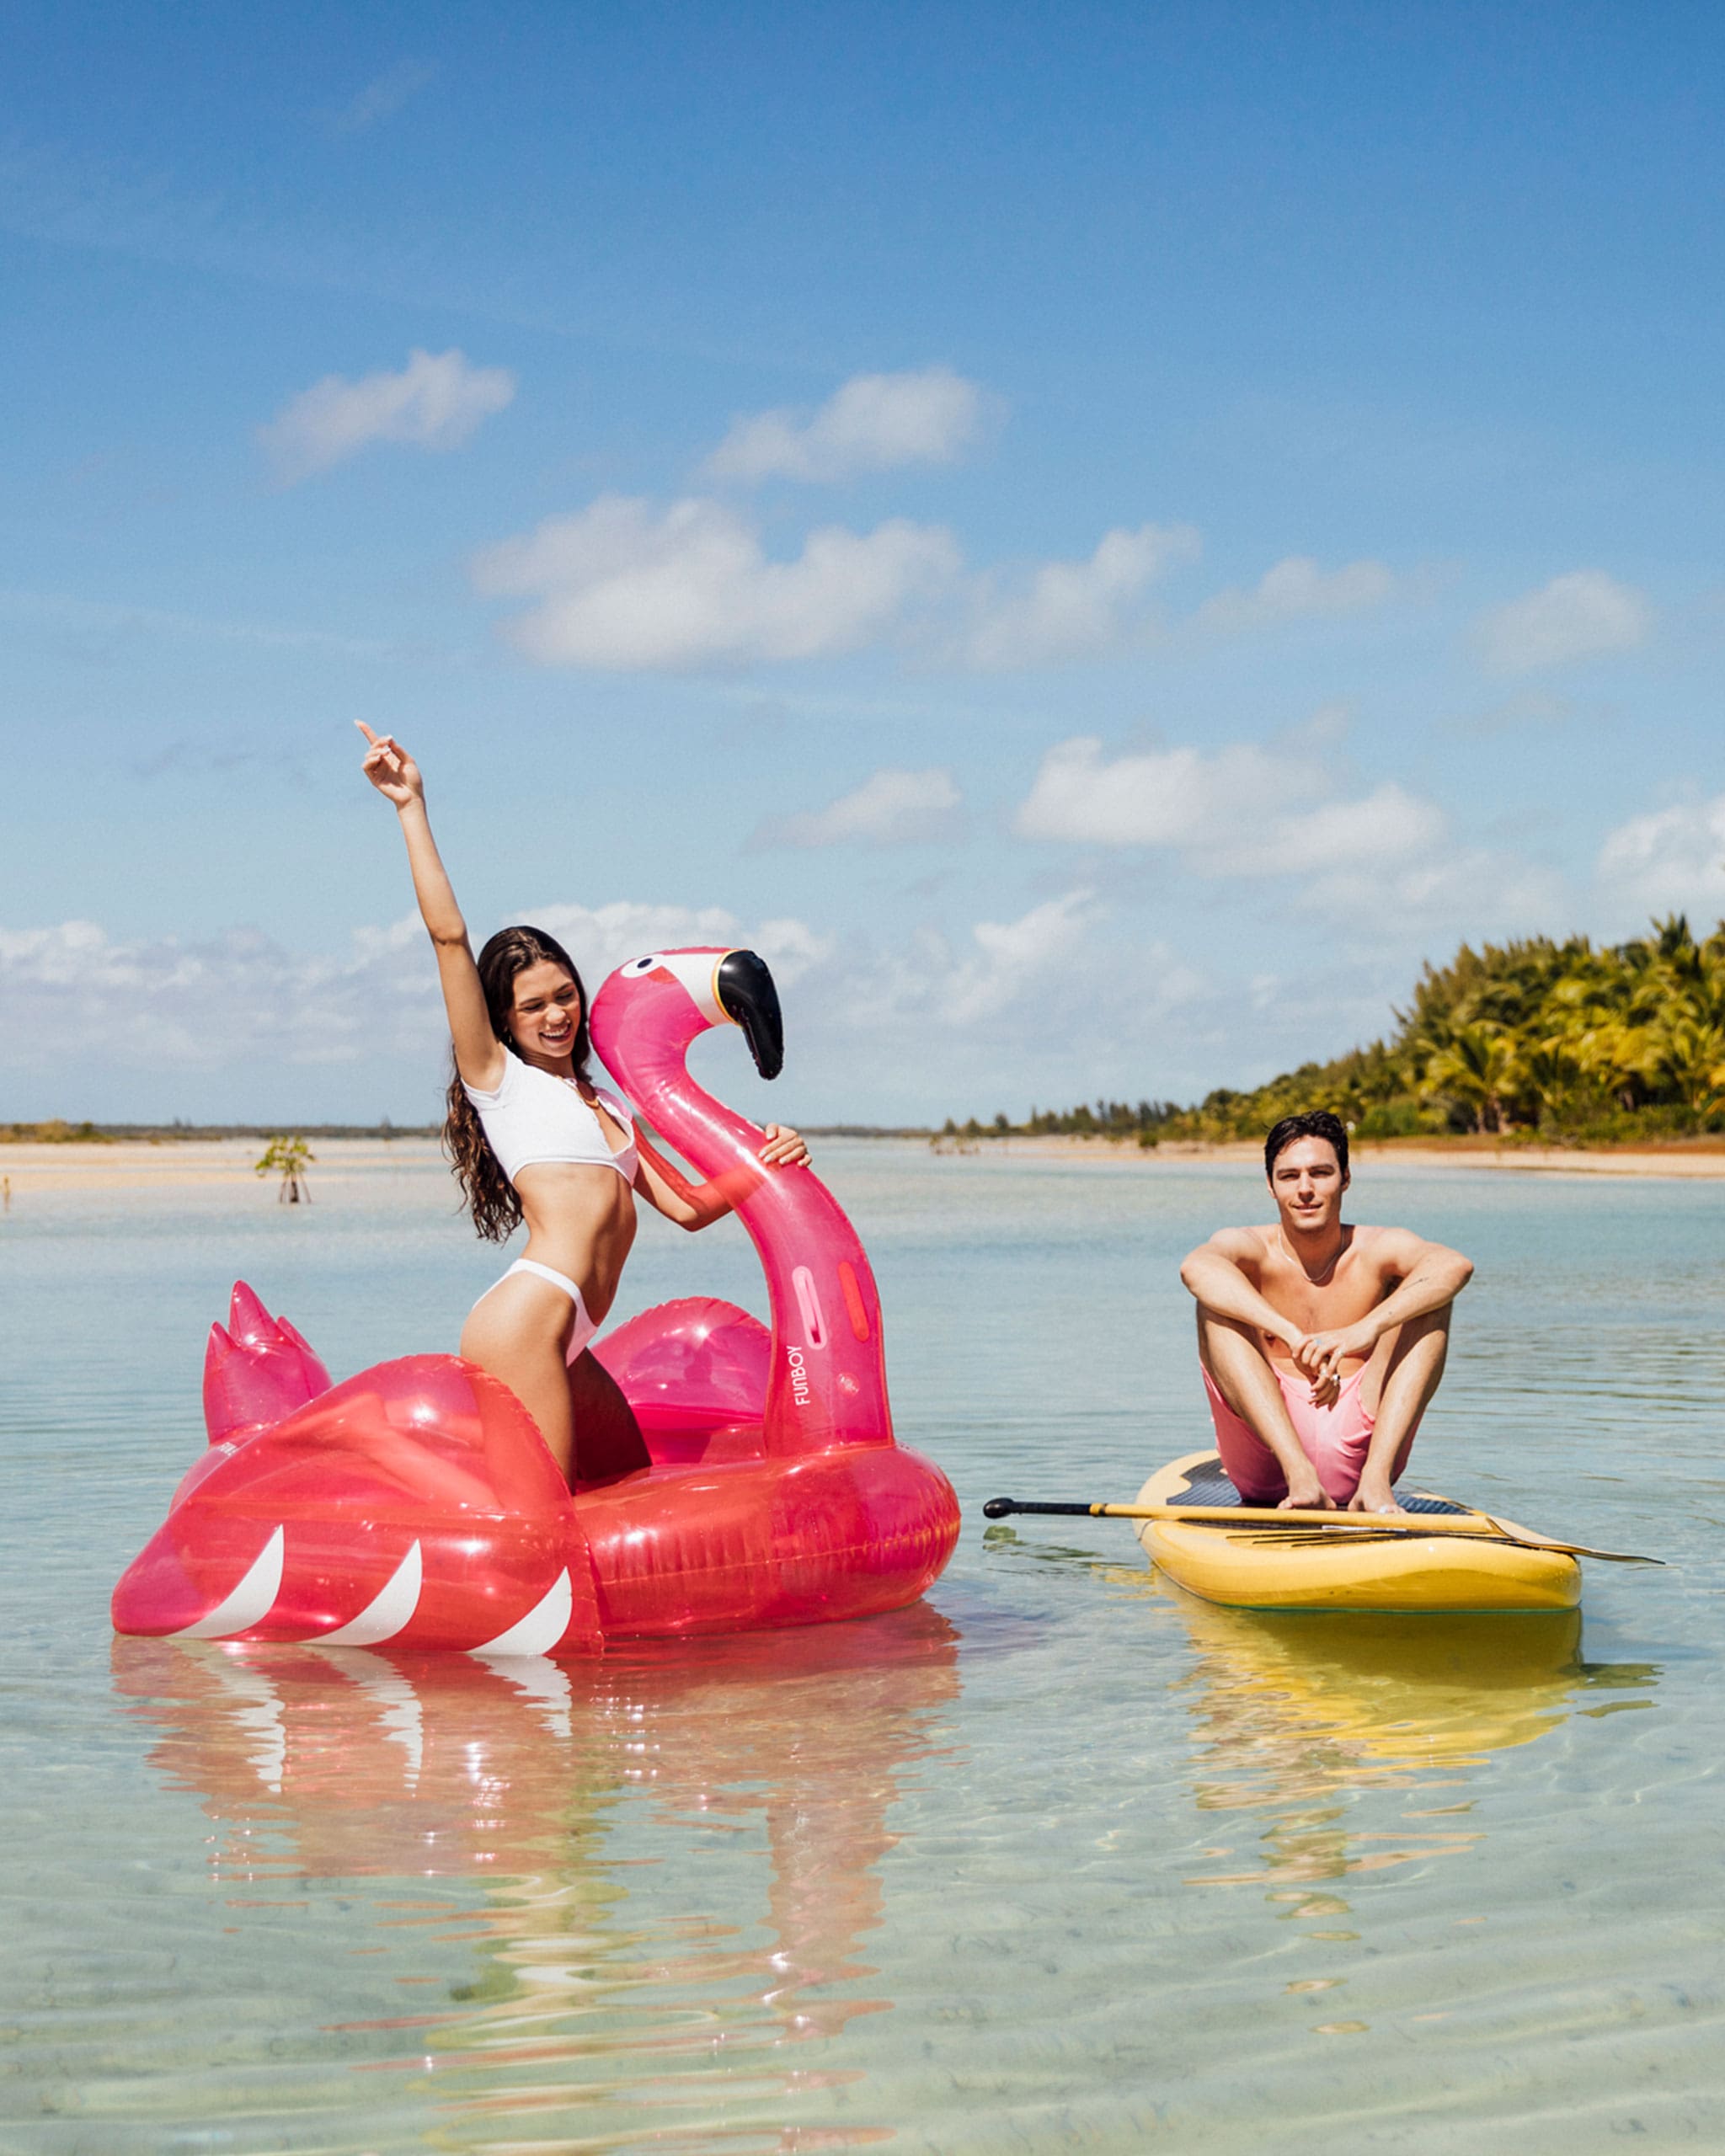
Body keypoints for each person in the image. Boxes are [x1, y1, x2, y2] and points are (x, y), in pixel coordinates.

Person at [357, 722, 810, 1484]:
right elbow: (448, 938)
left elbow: (691, 1209)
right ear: (502, 1022)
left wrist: (765, 1165)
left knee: (630, 1482)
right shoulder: (497, 1079)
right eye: (533, 1006)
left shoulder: (608, 1106)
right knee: (546, 1519)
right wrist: (410, 806)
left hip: (570, 1333)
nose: (557, 1015)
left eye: (565, 996)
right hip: (530, 1319)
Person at [1178, 1109, 1473, 1515]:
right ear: (1270, 1186)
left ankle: (1375, 1485)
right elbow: (1196, 1269)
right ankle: (1302, 1477)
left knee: (1430, 1297)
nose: (1305, 1189)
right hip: (1267, 1460)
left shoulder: (1376, 1248)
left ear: (1345, 1178)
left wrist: (1366, 1330)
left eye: (1320, 1173)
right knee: (1214, 1303)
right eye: (1289, 1177)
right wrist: (1288, 1333)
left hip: (1361, 1446)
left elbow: (1454, 1266)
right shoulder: (1249, 1247)